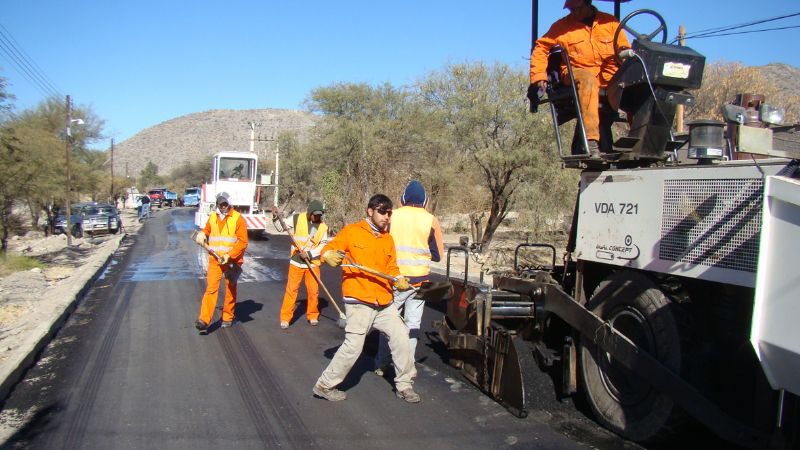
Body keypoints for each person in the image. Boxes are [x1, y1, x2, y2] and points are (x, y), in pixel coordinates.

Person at [312, 194, 420, 403]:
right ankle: (324, 386)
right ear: (370, 211)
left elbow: (391, 267)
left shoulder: (388, 239)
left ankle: (404, 385)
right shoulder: (352, 232)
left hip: (383, 302)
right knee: (353, 347)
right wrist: (327, 256)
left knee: (401, 336)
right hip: (359, 300)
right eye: (382, 212)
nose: (386, 217)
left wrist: (398, 279)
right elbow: (329, 249)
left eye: (389, 213)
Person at [529, 0, 629, 157]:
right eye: (570, 9)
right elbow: (540, 48)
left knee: (640, 83)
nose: (573, 12)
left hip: (608, 78)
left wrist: (628, 63)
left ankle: (645, 140)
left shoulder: (610, 23)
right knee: (588, 80)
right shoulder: (561, 27)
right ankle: (590, 142)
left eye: (577, 8)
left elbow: (624, 49)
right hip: (576, 73)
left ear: (588, 4)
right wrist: (539, 76)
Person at [374, 180, 444, 375]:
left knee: (387, 321)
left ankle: (381, 363)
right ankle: (406, 368)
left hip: (395, 279)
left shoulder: (392, 216)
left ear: (403, 198)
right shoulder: (431, 220)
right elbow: (438, 255)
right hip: (419, 282)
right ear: (425, 200)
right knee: (412, 325)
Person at [194, 192, 249, 334]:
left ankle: (227, 317)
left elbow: (243, 242)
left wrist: (229, 255)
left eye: (225, 204)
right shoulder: (213, 216)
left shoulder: (238, 219)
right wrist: (202, 234)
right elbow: (207, 229)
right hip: (214, 260)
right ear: (217, 204)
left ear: (229, 203)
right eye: (220, 204)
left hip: (231, 262)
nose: (223, 206)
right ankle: (204, 320)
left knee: (230, 289)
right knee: (211, 289)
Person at [279, 200, 330, 329]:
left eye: (319, 215)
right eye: (315, 214)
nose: (317, 217)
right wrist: (276, 217)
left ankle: (313, 315)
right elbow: (281, 227)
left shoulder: (323, 227)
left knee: (313, 291)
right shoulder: (297, 218)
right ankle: (285, 318)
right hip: (296, 261)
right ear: (309, 213)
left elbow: (323, 244)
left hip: (312, 263)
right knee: (291, 290)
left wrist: (310, 254)